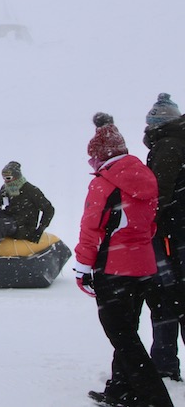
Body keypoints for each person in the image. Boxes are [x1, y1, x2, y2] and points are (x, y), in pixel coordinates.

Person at [74, 115, 174, 407]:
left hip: (113, 267)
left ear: (99, 156)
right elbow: (151, 224)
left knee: (122, 335)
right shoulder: (145, 176)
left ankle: (155, 399)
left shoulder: (104, 183)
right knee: (128, 328)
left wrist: (83, 268)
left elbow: (91, 229)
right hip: (143, 265)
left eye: (92, 157)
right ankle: (121, 390)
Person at [141, 96, 185, 381]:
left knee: (167, 301)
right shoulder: (175, 142)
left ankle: (165, 365)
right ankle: (165, 364)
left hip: (172, 236)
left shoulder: (168, 146)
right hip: (177, 233)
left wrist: (149, 225)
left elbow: (159, 194)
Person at [0, 161, 53, 259]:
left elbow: (49, 209)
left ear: (16, 176)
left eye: (8, 178)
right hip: (6, 218)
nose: (6, 181)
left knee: (2, 224)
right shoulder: (6, 189)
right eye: (4, 178)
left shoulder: (31, 191)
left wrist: (40, 229)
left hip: (22, 226)